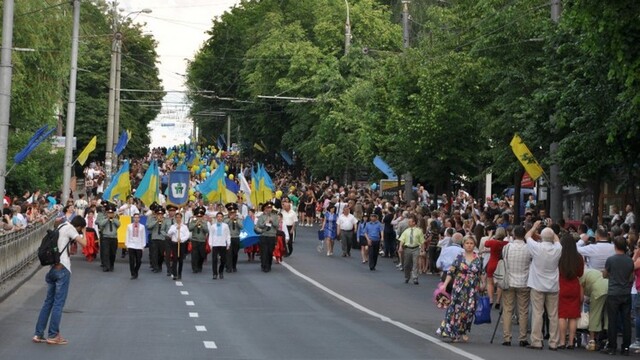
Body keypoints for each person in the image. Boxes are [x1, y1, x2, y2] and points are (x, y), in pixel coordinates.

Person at [33, 216, 87, 345]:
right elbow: (84, 244)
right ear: (78, 226)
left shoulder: (60, 226)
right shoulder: (70, 229)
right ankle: (53, 335)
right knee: (58, 304)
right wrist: (84, 231)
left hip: (53, 268)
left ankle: (38, 334)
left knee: (48, 302)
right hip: (63, 268)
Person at [437, 235, 485, 343]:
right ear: (463, 244)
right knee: (456, 309)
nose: (469, 245)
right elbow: (451, 272)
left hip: (472, 288)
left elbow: (481, 272)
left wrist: (483, 283)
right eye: (467, 243)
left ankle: (463, 330)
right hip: (459, 287)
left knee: (469, 310)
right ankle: (454, 332)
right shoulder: (459, 257)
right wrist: (445, 284)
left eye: (471, 243)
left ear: (474, 245)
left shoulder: (478, 258)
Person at [525, 221, 562, 350]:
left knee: (537, 313)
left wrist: (535, 227)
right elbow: (556, 239)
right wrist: (551, 230)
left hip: (537, 284)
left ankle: (537, 341)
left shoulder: (537, 247)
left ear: (541, 236)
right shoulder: (558, 248)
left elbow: (527, 236)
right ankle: (553, 342)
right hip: (553, 285)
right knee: (553, 315)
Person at [601, 236, 634, 355]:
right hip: (626, 292)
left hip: (613, 292)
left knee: (612, 320)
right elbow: (631, 277)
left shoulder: (611, 260)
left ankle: (612, 346)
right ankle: (625, 347)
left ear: (615, 246)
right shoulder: (630, 260)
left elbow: (605, 275)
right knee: (626, 321)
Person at [500, 225, 532, 347]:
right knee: (523, 310)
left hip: (509, 281)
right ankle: (522, 337)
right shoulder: (529, 248)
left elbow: (504, 260)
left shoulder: (507, 247)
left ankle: (507, 337)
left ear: (513, 234)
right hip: (524, 281)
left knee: (508, 309)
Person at [557, 233, 584, 349]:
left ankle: (562, 341)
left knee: (562, 315)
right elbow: (580, 273)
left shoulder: (559, 256)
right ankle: (571, 342)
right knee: (573, 316)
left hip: (561, 285)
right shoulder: (578, 257)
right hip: (574, 286)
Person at [579, 269, 608, 351]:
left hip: (597, 290)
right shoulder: (592, 271)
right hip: (609, 287)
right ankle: (609, 340)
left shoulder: (580, 277)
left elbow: (581, 298)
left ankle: (592, 341)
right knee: (608, 316)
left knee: (594, 314)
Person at [484, 227, 509, 309]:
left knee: (489, 282)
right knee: (499, 284)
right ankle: (498, 301)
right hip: (501, 264)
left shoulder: (493, 242)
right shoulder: (506, 243)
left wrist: (490, 235)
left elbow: (486, 244)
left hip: (492, 263)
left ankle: (491, 299)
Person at [397, 215, 425, 285]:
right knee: (406, 264)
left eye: (410, 222)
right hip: (407, 249)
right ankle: (407, 277)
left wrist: (422, 250)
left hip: (416, 248)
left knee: (415, 264)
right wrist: (400, 247)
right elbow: (402, 239)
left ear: (414, 222)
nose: (408, 223)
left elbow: (422, 241)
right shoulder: (406, 231)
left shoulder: (419, 231)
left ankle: (415, 278)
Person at [256, 202, 279, 272]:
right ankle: (264, 265)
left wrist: (272, 222)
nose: (269, 209)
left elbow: (277, 226)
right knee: (264, 251)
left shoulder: (274, 216)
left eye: (270, 208)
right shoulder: (261, 216)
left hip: (272, 236)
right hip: (264, 235)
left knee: (270, 252)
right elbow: (258, 225)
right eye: (268, 208)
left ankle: (269, 264)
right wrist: (265, 223)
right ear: (265, 208)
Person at [167, 212, 190, 280]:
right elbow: (169, 234)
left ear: (181, 218)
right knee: (174, 259)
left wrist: (182, 239)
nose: (178, 219)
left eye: (179, 217)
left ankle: (179, 273)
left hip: (182, 244)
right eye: (177, 217)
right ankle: (175, 274)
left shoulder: (184, 227)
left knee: (181, 260)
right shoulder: (173, 226)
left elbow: (187, 235)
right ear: (175, 218)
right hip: (174, 243)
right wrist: (176, 229)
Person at [96, 205, 119, 272]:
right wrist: (108, 219)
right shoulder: (104, 218)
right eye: (109, 213)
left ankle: (111, 265)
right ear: (106, 213)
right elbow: (101, 224)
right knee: (106, 252)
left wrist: (113, 219)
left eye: (111, 213)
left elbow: (118, 224)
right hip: (106, 237)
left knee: (113, 253)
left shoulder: (116, 218)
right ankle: (106, 266)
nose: (110, 214)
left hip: (113, 238)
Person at [208, 212, 230, 279]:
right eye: (218, 217)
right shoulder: (213, 226)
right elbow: (210, 235)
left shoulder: (225, 226)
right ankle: (214, 273)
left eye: (221, 217)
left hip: (223, 244)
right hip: (215, 244)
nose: (219, 218)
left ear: (222, 218)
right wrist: (210, 244)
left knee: (223, 260)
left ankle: (221, 271)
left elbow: (228, 235)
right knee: (214, 260)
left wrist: (228, 243)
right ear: (216, 217)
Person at [125, 213, 146, 279]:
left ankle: (136, 270)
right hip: (131, 244)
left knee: (139, 260)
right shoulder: (129, 226)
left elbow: (143, 236)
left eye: (137, 217)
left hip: (139, 245)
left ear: (139, 219)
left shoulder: (142, 226)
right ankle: (133, 273)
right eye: (135, 217)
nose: (136, 219)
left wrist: (143, 245)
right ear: (133, 218)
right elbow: (127, 235)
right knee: (131, 260)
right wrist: (127, 244)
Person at [188, 207, 209, 273]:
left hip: (202, 241)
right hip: (195, 240)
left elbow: (207, 230)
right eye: (198, 216)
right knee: (194, 255)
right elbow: (190, 228)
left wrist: (202, 224)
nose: (199, 218)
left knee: (202, 255)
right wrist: (195, 224)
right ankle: (194, 268)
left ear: (202, 217)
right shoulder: (192, 221)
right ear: (196, 216)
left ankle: (199, 266)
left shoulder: (205, 222)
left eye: (200, 216)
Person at [146, 207, 167, 273]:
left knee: (161, 254)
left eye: (161, 214)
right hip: (154, 238)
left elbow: (167, 230)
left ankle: (159, 265)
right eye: (158, 214)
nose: (160, 216)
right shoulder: (153, 219)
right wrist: (156, 221)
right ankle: (155, 267)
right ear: (156, 214)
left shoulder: (166, 220)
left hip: (162, 238)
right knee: (154, 253)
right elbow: (149, 227)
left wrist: (164, 234)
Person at [224, 208, 243, 272]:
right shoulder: (226, 219)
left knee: (235, 253)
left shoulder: (238, 219)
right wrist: (230, 219)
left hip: (236, 237)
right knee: (228, 253)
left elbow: (242, 227)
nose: (233, 214)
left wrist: (236, 220)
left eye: (234, 213)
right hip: (228, 237)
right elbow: (224, 225)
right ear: (229, 213)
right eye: (231, 213)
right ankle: (228, 267)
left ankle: (234, 266)